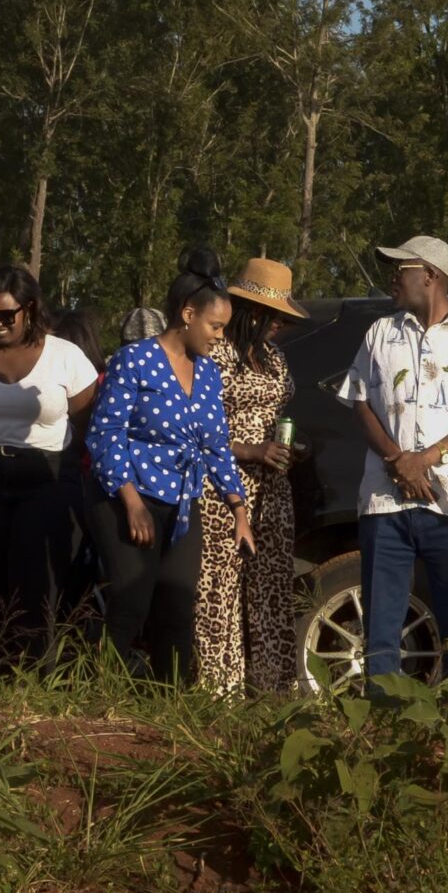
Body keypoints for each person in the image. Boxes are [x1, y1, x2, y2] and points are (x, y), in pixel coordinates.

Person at [337, 235, 448, 679]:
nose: (392, 278)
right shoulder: (381, 333)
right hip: (386, 502)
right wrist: (399, 460)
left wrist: (427, 459)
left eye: (401, 269)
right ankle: (380, 721)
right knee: (380, 626)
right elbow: (360, 402)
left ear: (431, 276)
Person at [83, 252, 253, 683]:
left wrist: (238, 508)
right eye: (215, 327)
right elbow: (105, 434)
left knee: (177, 608)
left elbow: (215, 444)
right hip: (126, 499)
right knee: (131, 602)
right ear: (187, 314)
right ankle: (97, 698)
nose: (219, 336)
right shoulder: (135, 361)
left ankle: (169, 709)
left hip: (180, 505)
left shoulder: (209, 373)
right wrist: (131, 501)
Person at [0, 265, 98, 666]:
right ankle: (4, 668)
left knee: (37, 581)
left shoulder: (66, 357)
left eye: (5, 316)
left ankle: (37, 673)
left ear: (30, 309)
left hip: (47, 478)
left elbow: (86, 424)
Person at [195, 257, 306, 697]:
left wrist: (289, 450)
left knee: (271, 586)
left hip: (272, 487)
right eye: (276, 318)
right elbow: (201, 429)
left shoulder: (274, 357)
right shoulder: (214, 352)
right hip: (222, 484)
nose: (280, 326)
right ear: (254, 313)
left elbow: (277, 412)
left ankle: (271, 690)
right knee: (218, 590)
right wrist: (251, 450)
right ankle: (218, 693)